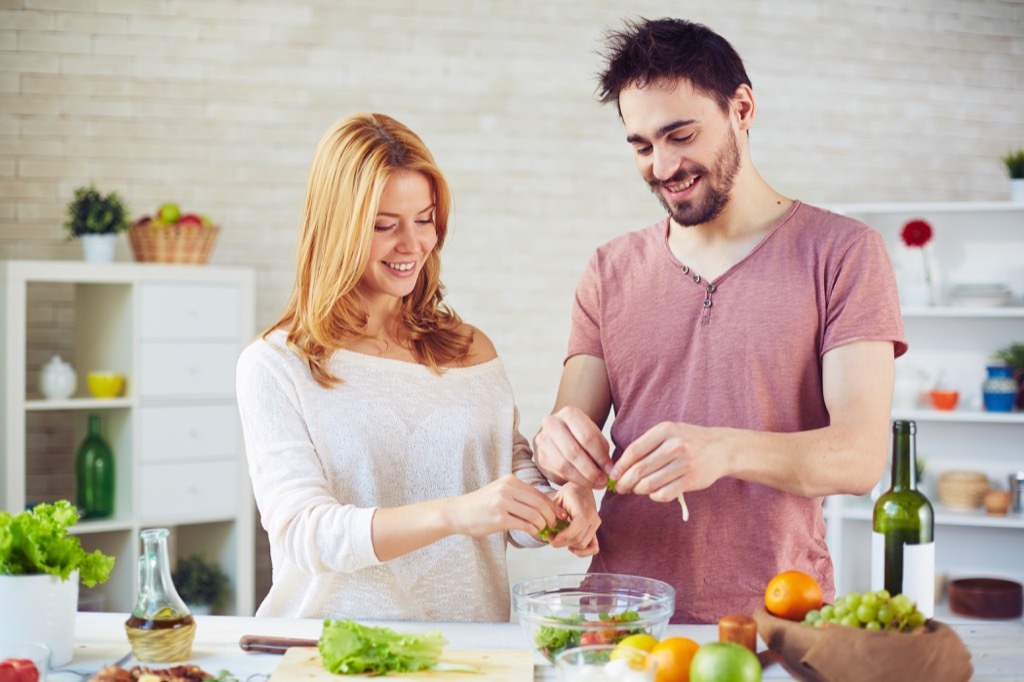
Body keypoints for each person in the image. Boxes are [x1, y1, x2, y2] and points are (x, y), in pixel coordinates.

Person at [533, 18, 907, 624]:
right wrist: (560, 460)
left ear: (741, 108)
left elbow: (859, 456)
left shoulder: (843, 253)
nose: (662, 165)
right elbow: (570, 438)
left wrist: (721, 451)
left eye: (681, 134)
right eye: (641, 145)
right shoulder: (609, 269)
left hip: (780, 615)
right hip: (620, 611)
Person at [236, 112, 599, 621]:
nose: (413, 245)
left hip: (469, 654)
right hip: (329, 655)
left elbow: (509, 482)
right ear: (336, 229)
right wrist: (455, 514)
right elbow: (305, 532)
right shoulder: (277, 365)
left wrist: (557, 509)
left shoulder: (471, 352)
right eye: (385, 226)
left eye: (425, 219)